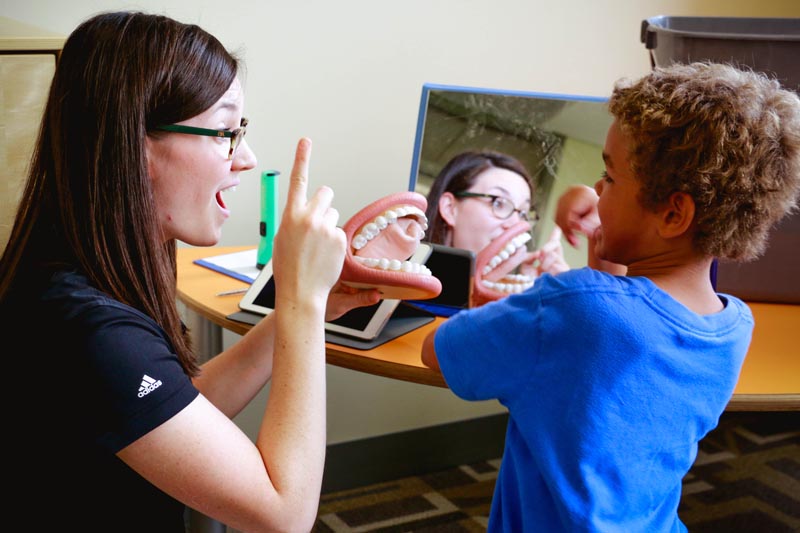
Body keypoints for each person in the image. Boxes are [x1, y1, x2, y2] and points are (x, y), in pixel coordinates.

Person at [0, 11, 380, 532]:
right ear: (136, 145)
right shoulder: (86, 329)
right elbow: (284, 514)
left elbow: (176, 409)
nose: (245, 157)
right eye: (225, 131)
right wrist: (300, 303)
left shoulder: (79, 266)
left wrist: (318, 303)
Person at [421, 62, 800, 532]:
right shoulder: (734, 325)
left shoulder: (569, 306)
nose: (597, 191)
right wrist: (604, 258)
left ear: (674, 212)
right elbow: (614, 354)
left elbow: (438, 352)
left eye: (611, 177)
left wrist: (485, 297)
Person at [424, 151, 569, 295]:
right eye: (499, 203)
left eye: (524, 213)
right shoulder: (407, 289)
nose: (516, 225)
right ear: (450, 209)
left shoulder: (514, 304)